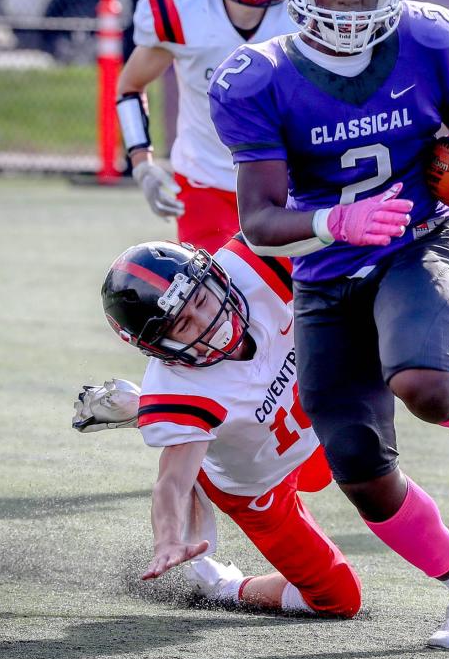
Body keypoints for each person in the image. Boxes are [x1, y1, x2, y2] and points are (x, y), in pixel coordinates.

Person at [207, 0, 449, 650]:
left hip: (416, 242)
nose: (350, 6)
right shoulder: (257, 78)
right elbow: (259, 220)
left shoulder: (433, 38)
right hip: (325, 268)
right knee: (354, 458)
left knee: (422, 383)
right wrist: (330, 222)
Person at [73, 238, 361, 618]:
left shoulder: (256, 268)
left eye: (201, 299)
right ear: (160, 347)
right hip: (253, 483)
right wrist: (169, 538)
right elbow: (171, 483)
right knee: (338, 599)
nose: (209, 320)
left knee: (338, 462)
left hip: (306, 421)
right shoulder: (181, 389)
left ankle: (142, 409)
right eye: (183, 324)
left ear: (215, 276)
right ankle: (224, 586)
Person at [116, 0, 296, 252]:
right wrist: (142, 164)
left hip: (284, 189)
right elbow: (130, 86)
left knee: (286, 304)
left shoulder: (301, 20)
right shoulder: (184, 13)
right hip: (205, 184)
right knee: (212, 301)